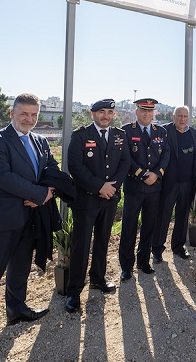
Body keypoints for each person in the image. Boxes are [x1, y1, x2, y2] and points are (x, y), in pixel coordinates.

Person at [0, 93, 67, 353]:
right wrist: (38, 194)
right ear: (12, 114)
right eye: (24, 114)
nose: (29, 119)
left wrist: (48, 192)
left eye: (34, 115)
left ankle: (16, 309)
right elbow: (3, 176)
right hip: (3, 218)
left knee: (20, 268)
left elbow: (51, 167)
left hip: (31, 217)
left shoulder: (40, 140)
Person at [64, 99, 130, 313]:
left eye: (110, 112)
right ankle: (74, 290)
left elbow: (125, 164)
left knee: (103, 240)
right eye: (102, 112)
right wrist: (99, 186)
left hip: (110, 198)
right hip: (86, 199)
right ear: (93, 114)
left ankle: (98, 278)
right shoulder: (80, 135)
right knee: (81, 245)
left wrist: (111, 188)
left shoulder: (120, 135)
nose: (106, 116)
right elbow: (75, 166)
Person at [119, 98, 170, 281]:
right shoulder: (126, 131)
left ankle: (143, 261)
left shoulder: (161, 131)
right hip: (134, 186)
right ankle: (126, 266)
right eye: (143, 111)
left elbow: (166, 154)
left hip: (154, 188)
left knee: (149, 226)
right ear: (137, 112)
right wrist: (142, 174)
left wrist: (157, 174)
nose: (147, 114)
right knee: (129, 227)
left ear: (154, 113)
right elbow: (125, 157)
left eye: (150, 111)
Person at [152, 105, 196, 262]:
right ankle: (157, 249)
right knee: (163, 216)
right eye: (179, 116)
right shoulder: (164, 132)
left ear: (188, 118)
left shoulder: (195, 135)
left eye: (185, 116)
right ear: (173, 117)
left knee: (183, 215)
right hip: (169, 183)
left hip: (188, 183)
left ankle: (178, 246)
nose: (182, 119)